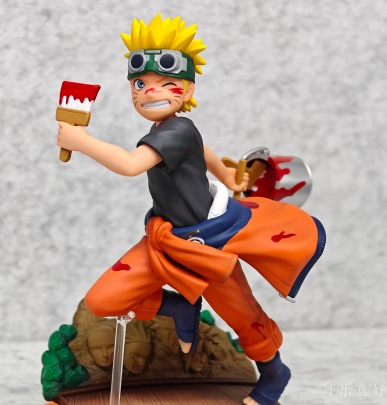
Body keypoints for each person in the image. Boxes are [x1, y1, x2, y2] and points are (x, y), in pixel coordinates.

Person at [56, 14, 325, 405]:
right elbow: (203, 150)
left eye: (165, 83)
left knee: (244, 317)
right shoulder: (170, 131)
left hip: (208, 246)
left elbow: (130, 165)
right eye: (140, 84)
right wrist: (227, 175)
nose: (150, 91)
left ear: (187, 89)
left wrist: (80, 140)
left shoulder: (177, 130)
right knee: (103, 301)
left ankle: (273, 373)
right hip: (164, 240)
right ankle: (180, 304)